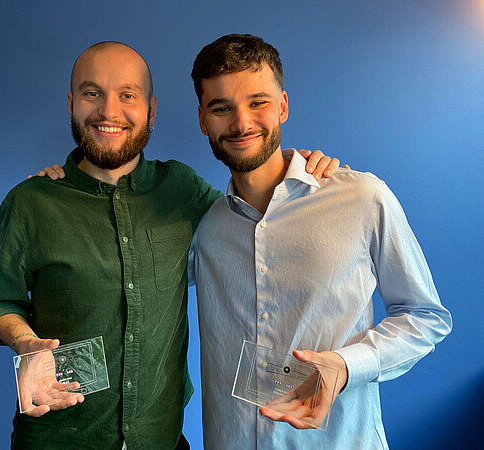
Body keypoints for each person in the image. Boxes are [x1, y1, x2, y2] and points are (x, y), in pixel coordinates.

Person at [0, 41, 340, 449]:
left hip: (162, 439)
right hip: (57, 439)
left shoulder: (182, 190)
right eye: (91, 93)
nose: (109, 112)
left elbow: (254, 208)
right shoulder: (32, 202)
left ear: (150, 110)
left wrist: (298, 166)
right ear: (72, 103)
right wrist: (25, 343)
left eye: (127, 95)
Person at [188, 34, 452, 449]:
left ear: (283, 106)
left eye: (258, 102)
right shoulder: (203, 226)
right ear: (203, 119)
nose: (241, 123)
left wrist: (346, 366)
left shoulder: (361, 197)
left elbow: (425, 317)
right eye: (222, 108)